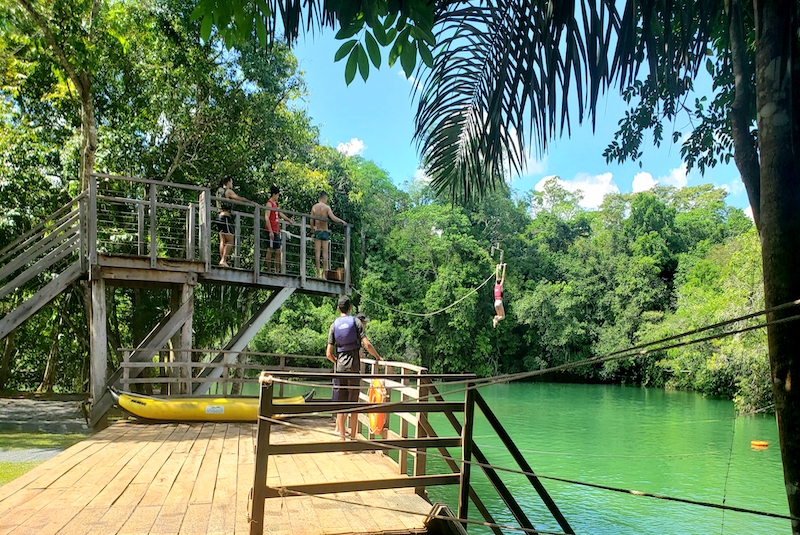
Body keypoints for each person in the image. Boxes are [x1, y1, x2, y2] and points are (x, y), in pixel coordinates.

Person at [326, 296, 382, 440]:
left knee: (341, 406)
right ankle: (352, 437)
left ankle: (342, 438)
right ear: (350, 308)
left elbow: (328, 354)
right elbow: (367, 345)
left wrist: (336, 361)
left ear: (338, 309)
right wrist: (378, 357)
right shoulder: (356, 322)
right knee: (354, 406)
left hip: (340, 370)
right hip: (354, 369)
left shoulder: (334, 325)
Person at [310, 192, 346, 279]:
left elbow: (311, 220)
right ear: (324, 198)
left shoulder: (314, 207)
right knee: (325, 254)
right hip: (325, 232)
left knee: (317, 254)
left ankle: (318, 274)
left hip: (318, 231)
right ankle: (324, 275)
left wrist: (312, 232)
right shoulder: (327, 207)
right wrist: (342, 221)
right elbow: (333, 218)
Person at [215, 177, 250, 267]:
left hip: (219, 217)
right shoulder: (228, 191)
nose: (232, 184)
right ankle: (223, 260)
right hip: (225, 218)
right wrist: (249, 202)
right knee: (230, 241)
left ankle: (222, 260)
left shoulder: (219, 191)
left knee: (223, 240)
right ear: (228, 182)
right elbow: (238, 198)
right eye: (231, 182)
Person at [264, 186, 296, 273]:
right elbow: (266, 216)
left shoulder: (275, 204)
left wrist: (288, 220)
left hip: (276, 230)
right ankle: (268, 269)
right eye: (277, 195)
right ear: (274, 194)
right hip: (271, 230)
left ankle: (276, 270)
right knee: (270, 249)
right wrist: (270, 231)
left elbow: (280, 213)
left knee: (278, 250)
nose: (278, 197)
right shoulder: (269, 203)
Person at [493, 263, 507, 328]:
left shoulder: (496, 286)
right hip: (499, 302)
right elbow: (503, 276)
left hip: (495, 303)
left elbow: (497, 276)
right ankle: (495, 320)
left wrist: (497, 267)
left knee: (499, 315)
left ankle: (496, 319)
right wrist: (504, 267)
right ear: (500, 282)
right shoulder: (500, 286)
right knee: (503, 316)